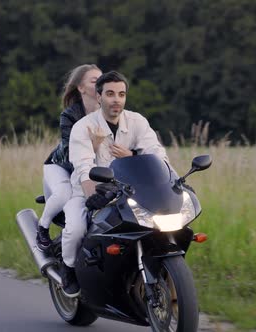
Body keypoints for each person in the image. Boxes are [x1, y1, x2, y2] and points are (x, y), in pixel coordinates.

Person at [61, 71, 171, 297]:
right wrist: (93, 195)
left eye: (121, 94)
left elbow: (158, 155)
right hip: (89, 193)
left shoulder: (137, 121)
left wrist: (174, 183)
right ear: (99, 97)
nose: (116, 100)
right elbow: (83, 166)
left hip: (132, 189)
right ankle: (68, 267)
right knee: (75, 229)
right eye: (110, 94)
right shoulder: (83, 127)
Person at [37, 64, 103, 250]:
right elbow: (70, 153)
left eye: (103, 80)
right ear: (81, 88)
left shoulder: (109, 113)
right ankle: (42, 228)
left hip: (88, 168)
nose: (101, 84)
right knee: (65, 193)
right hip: (60, 166)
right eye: (95, 81)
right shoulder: (70, 114)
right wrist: (93, 146)